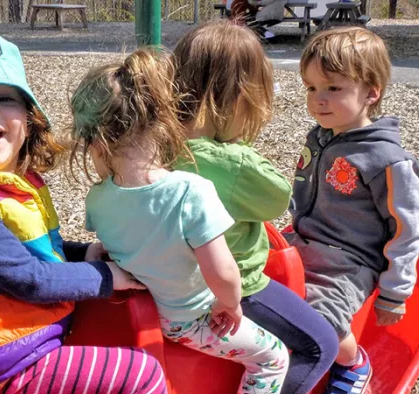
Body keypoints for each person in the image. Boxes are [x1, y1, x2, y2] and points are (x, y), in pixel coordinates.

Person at [0, 31, 166, 394]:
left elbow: (29, 251)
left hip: (25, 343)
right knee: (142, 372)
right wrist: (106, 276)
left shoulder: (11, 182)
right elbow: (29, 278)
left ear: (27, 120)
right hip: (3, 368)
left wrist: (83, 253)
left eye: (4, 97)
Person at [69, 47, 290, 394]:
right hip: (189, 320)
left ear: (97, 144)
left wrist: (96, 249)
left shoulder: (97, 199)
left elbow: (122, 240)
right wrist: (228, 304)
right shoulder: (190, 192)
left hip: (142, 313)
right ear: (163, 122)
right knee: (273, 358)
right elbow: (224, 272)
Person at [172, 20, 339, 394]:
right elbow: (278, 199)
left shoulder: (153, 146)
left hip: (167, 283)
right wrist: (237, 149)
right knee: (321, 345)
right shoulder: (232, 164)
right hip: (232, 286)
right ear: (240, 98)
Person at [287, 26, 419, 394]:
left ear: (371, 92)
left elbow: (406, 229)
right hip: (302, 240)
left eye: (333, 88)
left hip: (350, 262)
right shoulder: (320, 137)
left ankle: (353, 363)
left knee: (322, 320)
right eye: (312, 88)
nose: (318, 99)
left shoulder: (386, 159)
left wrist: (394, 292)